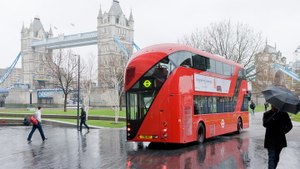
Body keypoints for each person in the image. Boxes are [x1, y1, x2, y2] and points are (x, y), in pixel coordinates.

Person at [263, 104, 293, 169]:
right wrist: (273, 115)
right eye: (273, 105)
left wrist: (284, 131)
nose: (274, 106)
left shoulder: (284, 114)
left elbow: (290, 125)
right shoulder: (267, 114)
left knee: (276, 157)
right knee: (271, 157)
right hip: (270, 140)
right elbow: (265, 124)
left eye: (275, 105)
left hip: (280, 140)